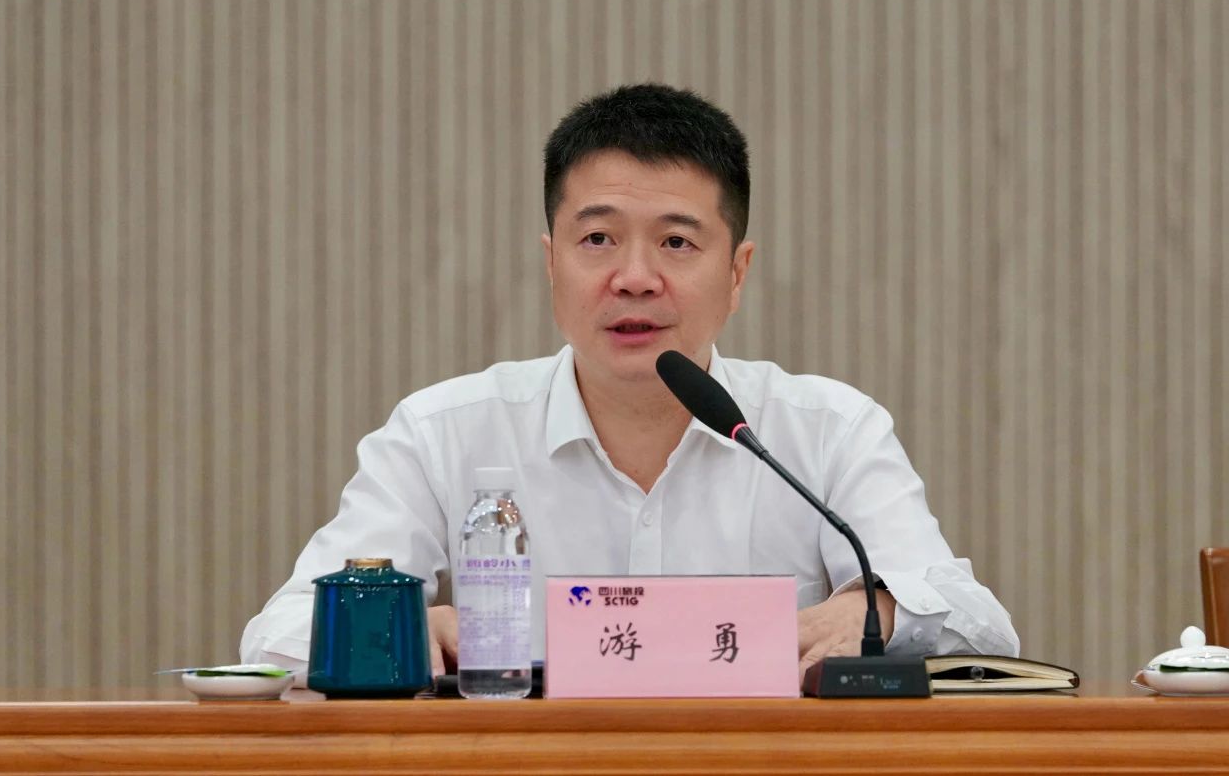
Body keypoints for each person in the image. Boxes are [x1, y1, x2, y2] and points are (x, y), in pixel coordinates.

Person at [241, 84, 1019, 683]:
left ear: (737, 272)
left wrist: (877, 607)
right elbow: (277, 636)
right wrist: (405, 630)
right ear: (552, 263)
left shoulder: (826, 430)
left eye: (676, 242)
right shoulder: (444, 432)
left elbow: (984, 628)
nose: (635, 276)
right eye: (598, 238)